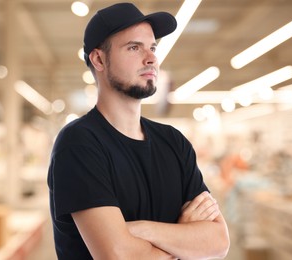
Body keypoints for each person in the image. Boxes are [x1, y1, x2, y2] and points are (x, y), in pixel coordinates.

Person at [48, 2, 230, 259]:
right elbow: (118, 256)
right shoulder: (79, 143)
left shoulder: (174, 142)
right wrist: (183, 238)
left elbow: (219, 241)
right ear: (99, 59)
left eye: (153, 47)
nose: (152, 58)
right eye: (134, 47)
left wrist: (141, 230)